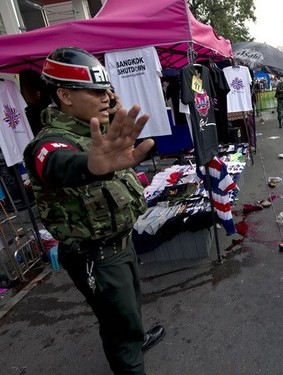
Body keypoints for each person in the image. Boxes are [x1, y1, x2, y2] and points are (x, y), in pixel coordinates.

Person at [23, 47, 165, 375]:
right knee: (118, 329)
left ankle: (136, 338)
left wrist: (114, 114)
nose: (106, 97)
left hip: (121, 244)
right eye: (95, 91)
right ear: (64, 96)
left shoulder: (94, 132)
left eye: (107, 90)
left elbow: (112, 149)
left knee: (129, 309)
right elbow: (57, 163)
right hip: (95, 255)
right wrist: (90, 165)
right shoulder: (51, 142)